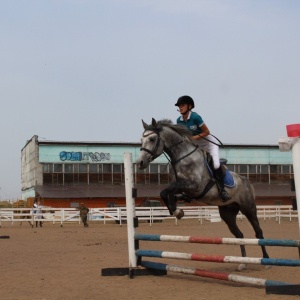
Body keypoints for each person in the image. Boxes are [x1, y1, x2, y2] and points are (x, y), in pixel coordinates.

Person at [175, 95, 231, 202]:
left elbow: (206, 132)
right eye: (179, 106)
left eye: (182, 105)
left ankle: (223, 191)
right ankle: (186, 193)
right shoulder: (179, 120)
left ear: (189, 106)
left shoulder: (195, 117)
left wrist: (192, 138)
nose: (180, 107)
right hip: (197, 145)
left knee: (215, 165)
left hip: (209, 144)